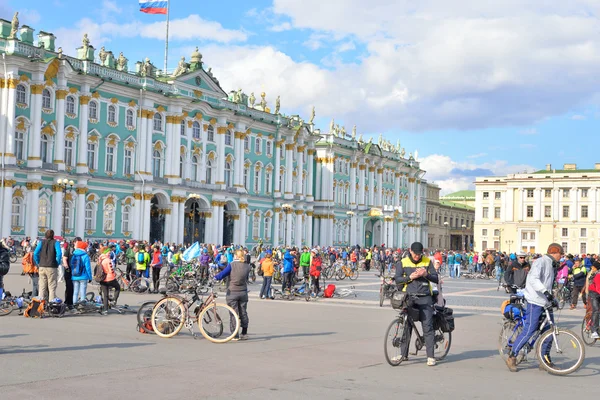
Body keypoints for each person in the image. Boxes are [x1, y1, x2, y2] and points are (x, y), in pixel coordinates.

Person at [505, 243, 564, 372]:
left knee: (550, 331)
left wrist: (552, 298)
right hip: (535, 301)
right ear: (555, 252)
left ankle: (544, 360)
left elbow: (548, 284)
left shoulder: (552, 264)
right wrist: (545, 292)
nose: (562, 256)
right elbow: (533, 279)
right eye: (561, 254)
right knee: (530, 329)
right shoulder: (541, 262)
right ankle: (512, 355)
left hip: (545, 302)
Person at [394, 242, 439, 366]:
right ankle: (403, 354)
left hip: (425, 297)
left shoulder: (427, 261)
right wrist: (410, 277)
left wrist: (426, 274)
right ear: (410, 251)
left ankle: (430, 356)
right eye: (415, 254)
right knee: (407, 325)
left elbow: (436, 278)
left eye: (419, 254)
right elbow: (397, 279)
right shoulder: (402, 262)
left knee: (427, 326)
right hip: (409, 297)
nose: (417, 256)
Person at [214, 249, 251, 340]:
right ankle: (244, 332)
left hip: (232, 292)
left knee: (233, 313)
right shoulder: (247, 266)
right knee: (243, 312)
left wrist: (215, 277)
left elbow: (222, 274)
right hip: (243, 292)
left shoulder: (232, 265)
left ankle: (235, 334)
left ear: (236, 256)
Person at [33, 230, 63, 301]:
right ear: (53, 235)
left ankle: (40, 305)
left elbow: (35, 253)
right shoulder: (56, 242)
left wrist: (38, 262)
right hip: (52, 266)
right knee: (52, 287)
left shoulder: (41, 242)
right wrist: (57, 262)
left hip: (42, 266)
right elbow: (59, 254)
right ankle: (51, 304)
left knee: (42, 287)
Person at [98, 247, 120, 315]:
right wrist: (114, 275)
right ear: (105, 252)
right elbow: (111, 270)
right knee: (118, 287)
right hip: (109, 278)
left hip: (102, 278)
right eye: (109, 252)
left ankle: (105, 310)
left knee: (105, 295)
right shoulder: (107, 260)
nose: (110, 253)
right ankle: (114, 301)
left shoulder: (100, 259)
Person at [587, 262, 600, 339]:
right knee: (596, 310)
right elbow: (598, 287)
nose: (592, 268)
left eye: (593, 267)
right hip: (593, 293)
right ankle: (593, 330)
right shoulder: (597, 275)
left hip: (597, 292)